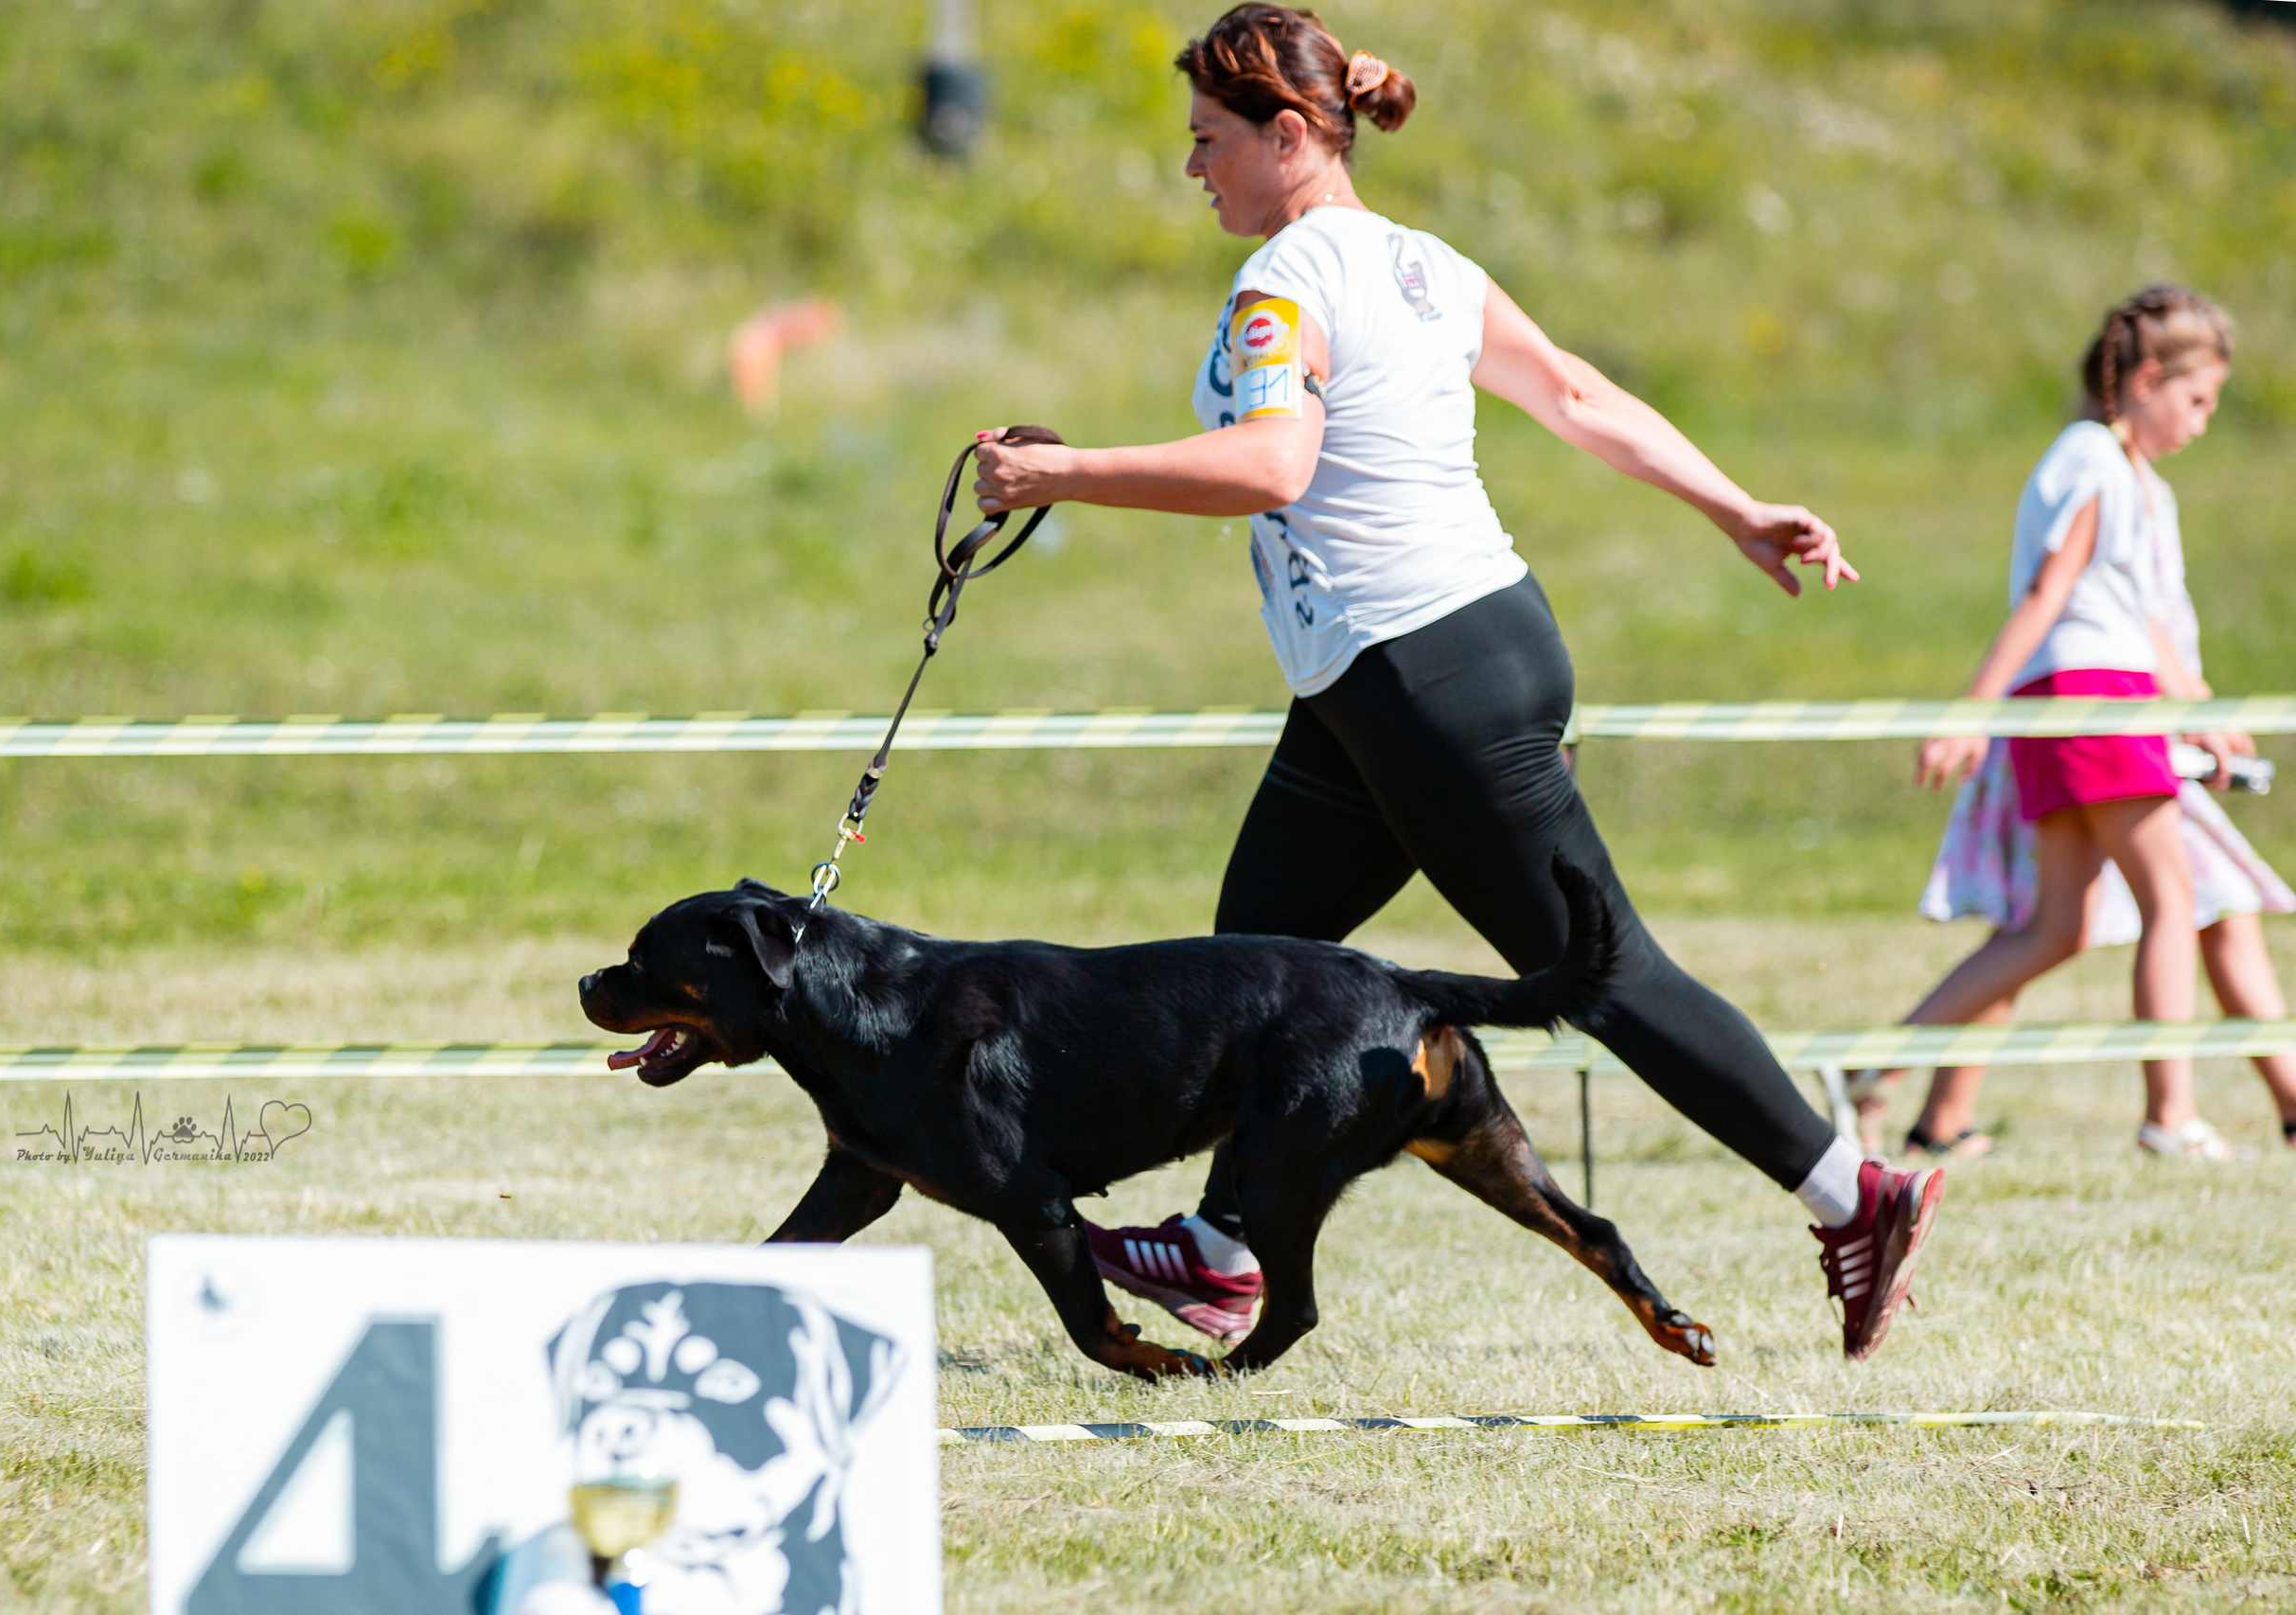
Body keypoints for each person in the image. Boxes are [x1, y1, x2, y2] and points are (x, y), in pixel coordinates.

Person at [969, 4, 1940, 1362]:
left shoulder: (1286, 282)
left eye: (1206, 142)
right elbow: (1583, 398)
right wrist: (1732, 505)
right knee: (1259, 946)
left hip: (1423, 679)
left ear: (1290, 133)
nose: (1193, 170)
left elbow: (1271, 467)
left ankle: (1859, 1194)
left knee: (1599, 970)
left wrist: (1063, 473)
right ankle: (1225, 1245)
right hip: (1440, 656)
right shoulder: (1424, 264)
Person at [1854, 286, 2288, 1162]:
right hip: (2094, 696)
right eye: (2197, 400)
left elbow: (2140, 612)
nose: (2202, 424)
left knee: (2059, 926)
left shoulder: (2124, 473)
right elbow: (2052, 594)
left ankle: (1873, 1067)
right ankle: (2170, 1115)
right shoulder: (2091, 456)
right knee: (2172, 900)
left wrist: (2198, 714)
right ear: (2147, 378)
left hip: (2090, 697)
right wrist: (1970, 713)